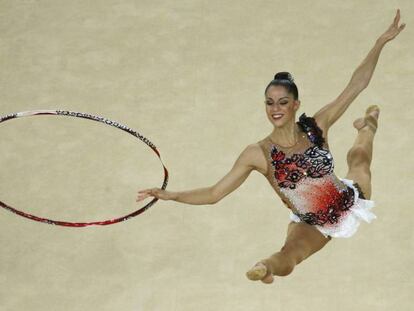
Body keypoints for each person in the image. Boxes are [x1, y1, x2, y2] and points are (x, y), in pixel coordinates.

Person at [136, 9, 405, 284]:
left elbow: (356, 85)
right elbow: (215, 193)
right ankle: (264, 268)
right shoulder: (258, 153)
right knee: (290, 254)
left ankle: (368, 125)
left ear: (295, 104)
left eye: (283, 102)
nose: (275, 109)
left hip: (348, 199)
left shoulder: (316, 126)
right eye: (269, 102)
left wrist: (381, 41)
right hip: (312, 222)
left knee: (360, 158)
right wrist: (172, 195)